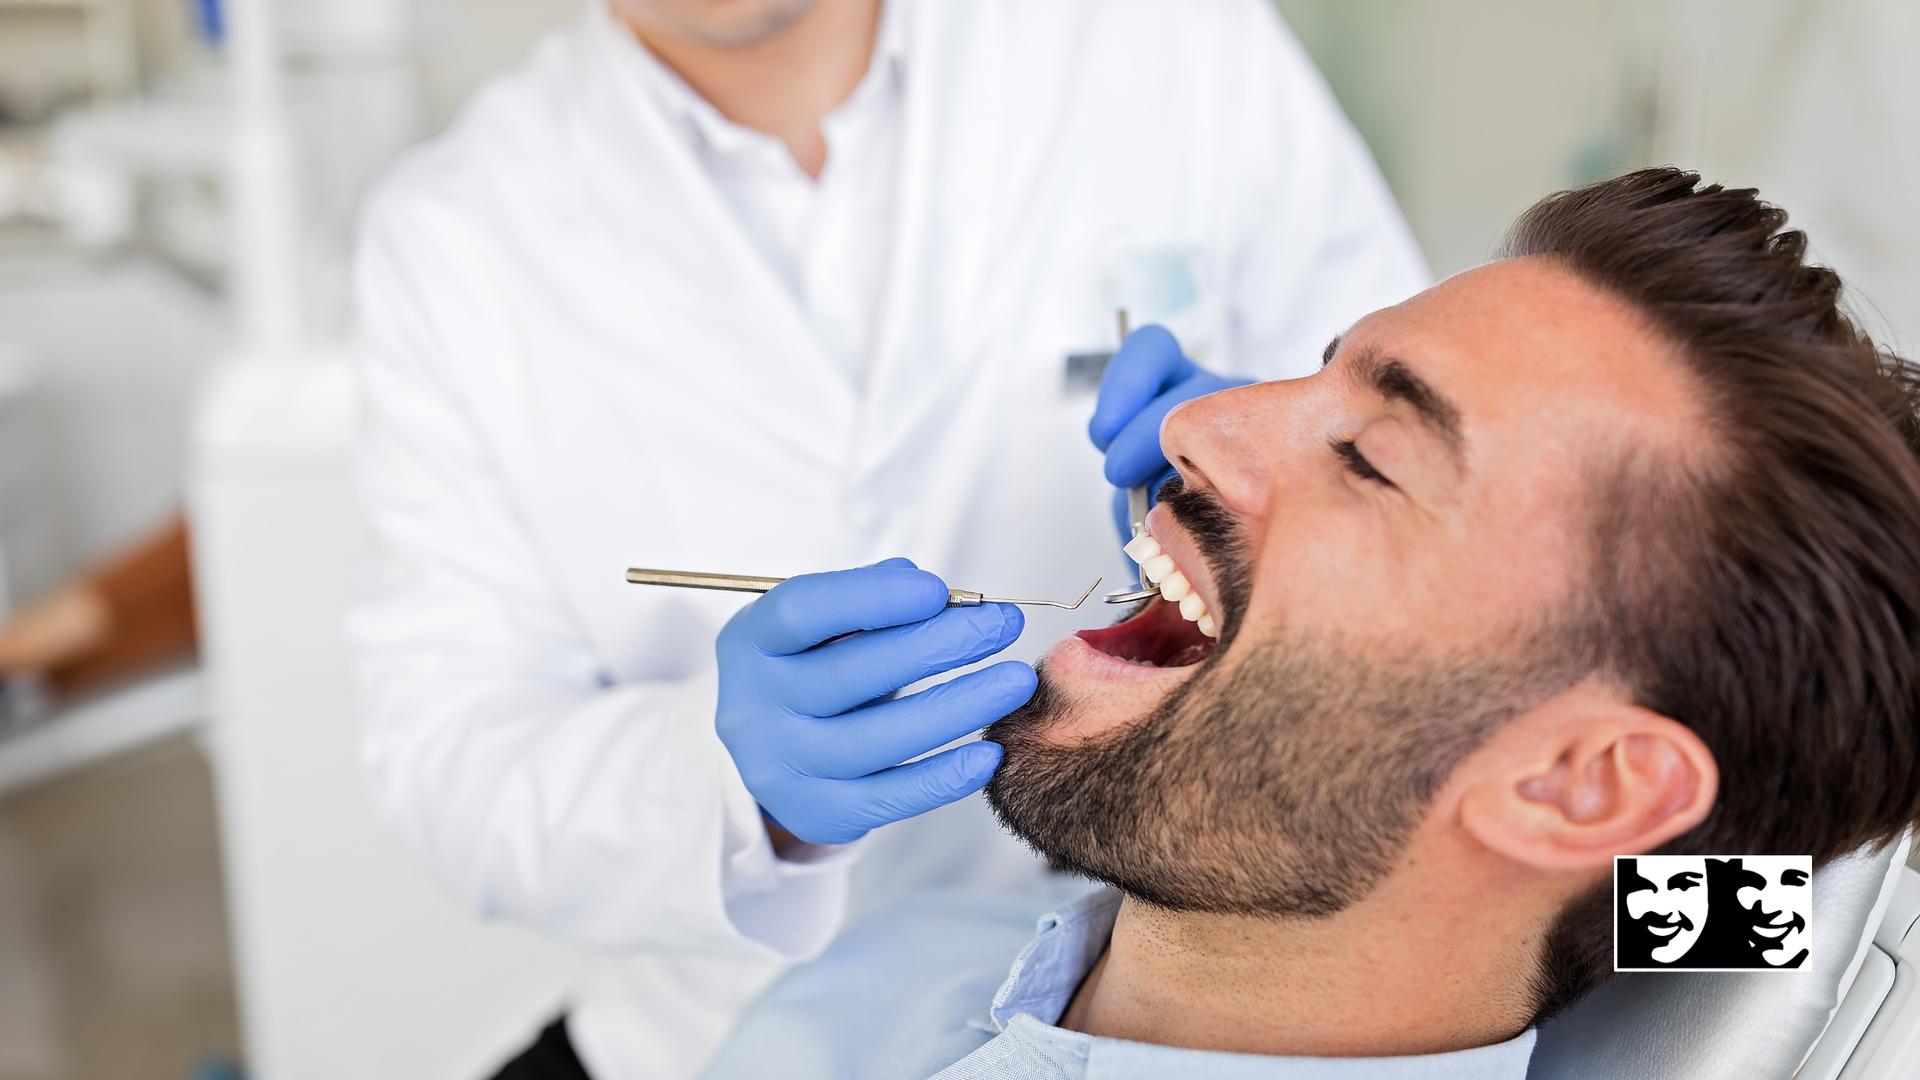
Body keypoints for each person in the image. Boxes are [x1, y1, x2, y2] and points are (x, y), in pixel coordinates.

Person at [347, 0, 1427, 1076]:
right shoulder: (453, 235)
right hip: (712, 1034)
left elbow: (1450, 499)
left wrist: (1288, 458)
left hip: (1149, 1000)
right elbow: (450, 751)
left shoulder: (1173, 44)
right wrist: (728, 789)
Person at [696, 169, 1920, 1079]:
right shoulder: (912, 964)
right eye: (1312, 370)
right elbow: (1780, 907)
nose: (1194, 426)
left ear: (1576, 786)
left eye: (1374, 457)